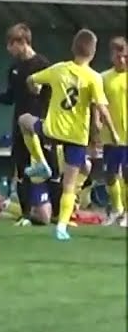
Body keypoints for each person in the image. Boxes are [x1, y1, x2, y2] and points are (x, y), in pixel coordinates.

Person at [20, 29, 118, 241]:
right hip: (76, 136)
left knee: (24, 121)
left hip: (53, 130)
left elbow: (30, 79)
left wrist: (35, 87)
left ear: (73, 48)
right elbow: (102, 108)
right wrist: (113, 134)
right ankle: (62, 227)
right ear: (93, 53)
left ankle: (39, 161)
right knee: (69, 185)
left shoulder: (58, 69)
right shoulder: (93, 77)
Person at [0, 24, 52, 225]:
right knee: (22, 169)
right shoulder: (14, 69)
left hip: (40, 127)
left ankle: (51, 209)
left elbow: (51, 97)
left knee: (44, 169)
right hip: (19, 127)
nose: (9, 49)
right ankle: (25, 213)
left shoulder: (43, 64)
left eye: (12, 44)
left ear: (23, 42)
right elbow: (10, 98)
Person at [100, 37, 128, 226]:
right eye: (119, 57)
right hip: (110, 135)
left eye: (125, 56)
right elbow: (98, 106)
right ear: (112, 57)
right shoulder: (103, 78)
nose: (123, 60)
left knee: (126, 174)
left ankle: (126, 212)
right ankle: (116, 209)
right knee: (110, 174)